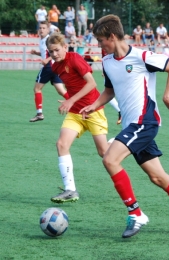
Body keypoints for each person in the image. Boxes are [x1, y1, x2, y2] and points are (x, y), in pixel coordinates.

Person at [80, 14, 169, 239]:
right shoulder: (106, 62)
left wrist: (167, 95)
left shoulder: (141, 56)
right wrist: (94, 106)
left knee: (109, 159)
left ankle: (136, 213)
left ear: (112, 36)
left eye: (100, 40)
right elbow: (109, 90)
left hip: (145, 122)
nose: (99, 45)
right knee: (158, 178)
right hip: (132, 125)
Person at [46, 32, 111, 203]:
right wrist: (69, 98)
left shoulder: (74, 59)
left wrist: (71, 99)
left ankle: (121, 143)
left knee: (104, 152)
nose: (54, 54)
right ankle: (70, 190)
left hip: (92, 109)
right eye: (51, 51)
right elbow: (71, 84)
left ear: (65, 47)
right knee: (61, 144)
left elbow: (92, 83)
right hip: (75, 112)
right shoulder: (55, 66)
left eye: (57, 50)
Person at [29, 21, 68, 122]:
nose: (41, 30)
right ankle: (77, 104)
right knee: (61, 90)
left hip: (48, 67)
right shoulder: (42, 40)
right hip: (55, 67)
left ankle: (39, 113)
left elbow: (54, 52)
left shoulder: (48, 40)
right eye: (40, 28)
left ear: (48, 30)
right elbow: (45, 53)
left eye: (43, 28)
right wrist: (36, 53)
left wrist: (47, 60)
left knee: (37, 89)